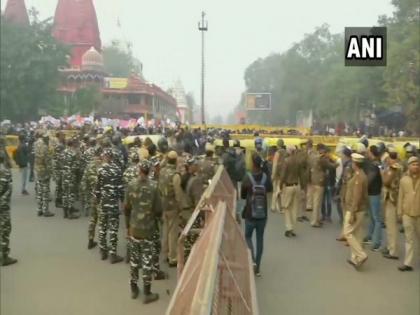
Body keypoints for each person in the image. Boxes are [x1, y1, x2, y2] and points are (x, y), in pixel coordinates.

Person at [125, 160, 161, 303]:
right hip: (148, 229)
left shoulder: (131, 184)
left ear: (139, 170)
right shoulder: (154, 186)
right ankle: (147, 293)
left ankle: (134, 289)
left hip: (134, 228)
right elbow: (158, 209)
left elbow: (126, 208)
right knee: (147, 261)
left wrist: (127, 227)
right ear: (150, 170)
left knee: (134, 260)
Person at [241, 153, 272, 277]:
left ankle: (252, 260)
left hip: (250, 213)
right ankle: (258, 267)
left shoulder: (247, 177)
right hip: (262, 214)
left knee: (248, 236)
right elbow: (270, 189)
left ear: (252, 163)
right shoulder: (265, 177)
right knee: (260, 239)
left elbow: (243, 195)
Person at [95, 148, 124, 264]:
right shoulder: (117, 169)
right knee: (113, 229)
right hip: (113, 204)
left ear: (105, 157)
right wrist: (122, 201)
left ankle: (103, 251)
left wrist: (97, 200)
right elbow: (121, 188)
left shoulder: (100, 169)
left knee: (102, 227)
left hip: (103, 202)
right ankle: (113, 254)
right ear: (112, 157)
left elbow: (97, 187)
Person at [343, 153, 369, 270]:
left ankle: (361, 255)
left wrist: (352, 212)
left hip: (355, 209)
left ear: (355, 164)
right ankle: (355, 258)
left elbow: (357, 196)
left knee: (347, 232)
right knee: (357, 234)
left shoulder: (359, 177)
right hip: (360, 209)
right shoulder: (361, 175)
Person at [159, 151, 183, 267]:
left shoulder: (162, 171)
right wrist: (180, 205)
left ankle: (165, 252)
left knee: (165, 229)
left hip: (163, 204)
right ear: (176, 160)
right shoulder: (176, 175)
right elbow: (178, 193)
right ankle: (172, 257)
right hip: (173, 206)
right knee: (173, 232)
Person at [397, 156, 420, 272]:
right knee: (409, 239)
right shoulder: (404, 180)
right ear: (409, 166)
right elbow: (400, 196)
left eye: (417, 164)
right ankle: (407, 263)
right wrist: (399, 212)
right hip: (407, 214)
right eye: (413, 164)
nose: (415, 166)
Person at [381, 152, 402, 260]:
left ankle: (393, 251)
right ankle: (390, 247)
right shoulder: (397, 167)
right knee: (389, 226)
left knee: (391, 227)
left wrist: (383, 172)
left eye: (387, 159)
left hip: (392, 199)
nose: (386, 161)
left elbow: (386, 181)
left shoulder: (393, 168)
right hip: (392, 198)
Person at [363, 145, 383, 251]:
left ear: (371, 152)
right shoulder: (373, 163)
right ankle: (370, 237)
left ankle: (377, 242)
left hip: (375, 193)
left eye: (368, 152)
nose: (366, 153)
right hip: (371, 193)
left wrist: (363, 186)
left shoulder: (376, 164)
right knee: (372, 217)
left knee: (376, 218)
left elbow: (370, 179)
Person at [82, 147, 102, 250]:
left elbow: (84, 182)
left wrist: (87, 195)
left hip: (93, 196)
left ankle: (90, 240)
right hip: (102, 197)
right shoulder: (104, 166)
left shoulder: (89, 166)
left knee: (93, 219)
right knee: (103, 222)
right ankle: (103, 245)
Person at [280, 146, 302, 237]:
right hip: (296, 185)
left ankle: (289, 228)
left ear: (289, 152)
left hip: (288, 186)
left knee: (286, 207)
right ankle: (293, 228)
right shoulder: (298, 161)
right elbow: (301, 174)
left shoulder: (286, 161)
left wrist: (280, 185)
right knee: (294, 208)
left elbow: (283, 175)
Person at [0, 151, 17, 266]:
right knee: (5, 231)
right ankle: (4, 256)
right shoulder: (6, 172)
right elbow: (7, 190)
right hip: (3, 207)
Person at [34, 133, 54, 217]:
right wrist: (51, 171)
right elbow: (47, 161)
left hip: (37, 169)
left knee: (39, 190)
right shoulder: (45, 147)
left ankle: (39, 209)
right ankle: (45, 210)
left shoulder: (35, 144)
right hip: (44, 171)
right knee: (45, 191)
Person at [62, 138, 80, 219]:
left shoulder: (63, 152)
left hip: (64, 175)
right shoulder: (73, 153)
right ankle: (70, 213)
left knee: (65, 194)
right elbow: (76, 165)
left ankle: (65, 212)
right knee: (70, 194)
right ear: (72, 144)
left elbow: (60, 163)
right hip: (71, 175)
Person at [271, 139, 286, 213]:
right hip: (283, 175)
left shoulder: (277, 153)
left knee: (275, 191)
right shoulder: (286, 153)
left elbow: (275, 165)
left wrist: (273, 175)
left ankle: (273, 206)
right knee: (282, 192)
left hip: (277, 174)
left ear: (277, 145)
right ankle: (282, 208)